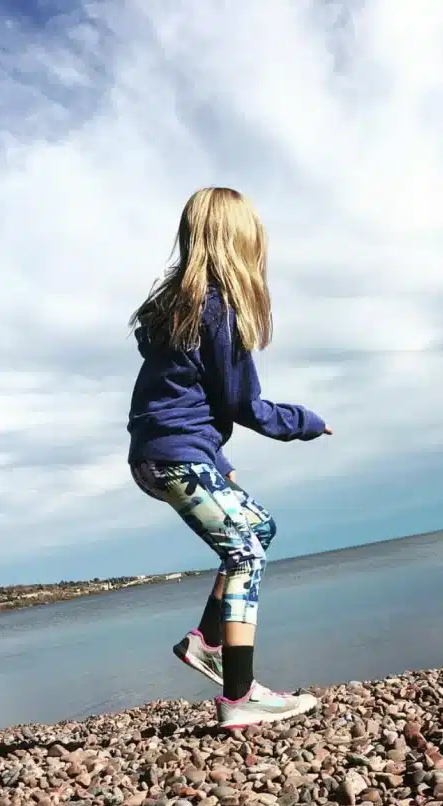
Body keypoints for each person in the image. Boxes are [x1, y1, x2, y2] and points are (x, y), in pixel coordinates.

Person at [126, 186, 332, 730]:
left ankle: (207, 643)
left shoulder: (180, 310)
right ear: (241, 243)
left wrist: (215, 458)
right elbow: (245, 405)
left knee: (258, 529)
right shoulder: (218, 310)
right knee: (244, 554)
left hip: (168, 453)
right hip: (177, 455)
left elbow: (184, 397)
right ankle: (239, 698)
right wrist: (305, 423)